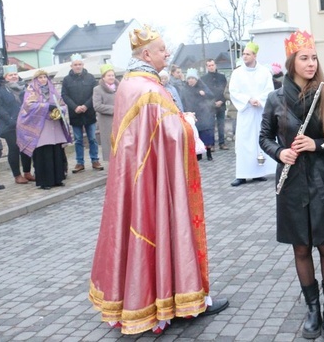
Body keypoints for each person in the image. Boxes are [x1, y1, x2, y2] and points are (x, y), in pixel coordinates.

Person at [88, 25, 228, 335]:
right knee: (165, 227)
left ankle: (145, 299)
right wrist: (186, 123)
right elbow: (171, 133)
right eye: (162, 49)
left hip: (136, 178)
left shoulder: (130, 84)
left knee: (139, 229)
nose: (167, 53)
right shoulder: (149, 89)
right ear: (146, 54)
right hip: (156, 181)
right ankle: (174, 301)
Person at [259, 30, 324, 339]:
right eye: (304, 58)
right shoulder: (275, 98)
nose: (311, 64)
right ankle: (312, 308)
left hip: (322, 179)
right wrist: (280, 152)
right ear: (291, 62)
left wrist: (318, 144)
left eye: (313, 58)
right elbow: (265, 138)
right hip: (292, 182)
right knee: (300, 247)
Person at [229, 42, 276, 187]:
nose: (244, 56)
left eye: (247, 54)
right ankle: (242, 174)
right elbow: (234, 91)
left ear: (255, 55)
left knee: (259, 140)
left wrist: (260, 100)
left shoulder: (264, 72)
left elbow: (270, 90)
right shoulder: (237, 73)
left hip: (260, 112)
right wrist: (248, 100)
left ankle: (258, 173)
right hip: (246, 112)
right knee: (244, 142)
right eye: (243, 54)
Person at [16, 69, 72, 190]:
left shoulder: (53, 90)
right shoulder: (31, 90)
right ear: (36, 79)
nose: (43, 79)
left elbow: (62, 103)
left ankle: (58, 178)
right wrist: (47, 106)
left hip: (54, 126)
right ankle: (45, 181)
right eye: (40, 77)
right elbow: (28, 105)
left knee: (56, 152)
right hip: (40, 127)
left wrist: (59, 110)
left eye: (45, 77)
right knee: (43, 154)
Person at [0, 64, 34, 184]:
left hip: (25, 123)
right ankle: (17, 175)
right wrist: (11, 120)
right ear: (5, 77)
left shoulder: (24, 87)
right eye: (10, 75)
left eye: (15, 74)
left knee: (26, 148)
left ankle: (27, 172)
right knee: (14, 148)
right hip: (9, 125)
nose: (13, 77)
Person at [61, 54, 102, 173]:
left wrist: (85, 106)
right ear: (71, 66)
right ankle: (80, 162)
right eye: (75, 65)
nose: (78, 67)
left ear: (83, 65)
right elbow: (64, 95)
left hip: (89, 112)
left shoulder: (90, 78)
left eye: (79, 64)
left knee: (92, 138)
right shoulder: (66, 80)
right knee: (78, 139)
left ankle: (95, 160)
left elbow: (94, 94)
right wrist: (75, 107)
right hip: (75, 114)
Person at [180, 68, 216, 161]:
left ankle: (208, 153)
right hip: (191, 114)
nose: (190, 80)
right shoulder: (185, 89)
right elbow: (182, 101)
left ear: (196, 79)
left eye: (192, 78)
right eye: (189, 79)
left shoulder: (202, 86)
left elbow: (211, 96)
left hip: (203, 113)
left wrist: (205, 94)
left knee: (206, 134)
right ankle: (198, 154)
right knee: (195, 134)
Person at [200, 58, 228, 150]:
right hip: (210, 105)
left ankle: (222, 143)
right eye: (209, 65)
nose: (211, 67)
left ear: (215, 65)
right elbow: (204, 92)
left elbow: (226, 90)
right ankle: (211, 144)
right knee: (210, 125)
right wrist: (212, 102)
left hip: (221, 103)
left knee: (221, 124)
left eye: (212, 65)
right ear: (206, 67)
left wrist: (222, 100)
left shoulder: (222, 77)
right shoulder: (203, 79)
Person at [92, 64, 118, 162]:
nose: (111, 77)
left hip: (120, 120)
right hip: (107, 122)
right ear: (103, 77)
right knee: (110, 144)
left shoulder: (120, 88)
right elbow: (97, 106)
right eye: (109, 75)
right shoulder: (97, 89)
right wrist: (115, 109)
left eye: (112, 75)